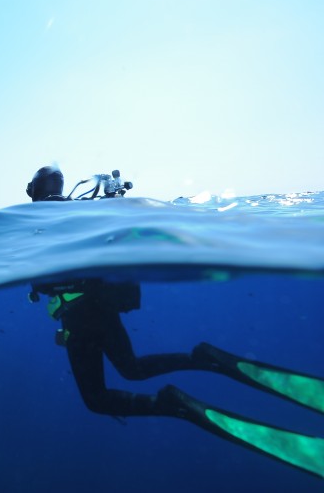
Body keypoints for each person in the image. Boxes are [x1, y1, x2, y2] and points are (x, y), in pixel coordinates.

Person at [26, 165, 324, 479]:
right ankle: (202, 359)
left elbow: (48, 282)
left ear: (33, 190)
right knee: (132, 369)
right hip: (101, 309)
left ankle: (171, 404)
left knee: (98, 399)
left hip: (82, 319)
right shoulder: (79, 212)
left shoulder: (37, 221)